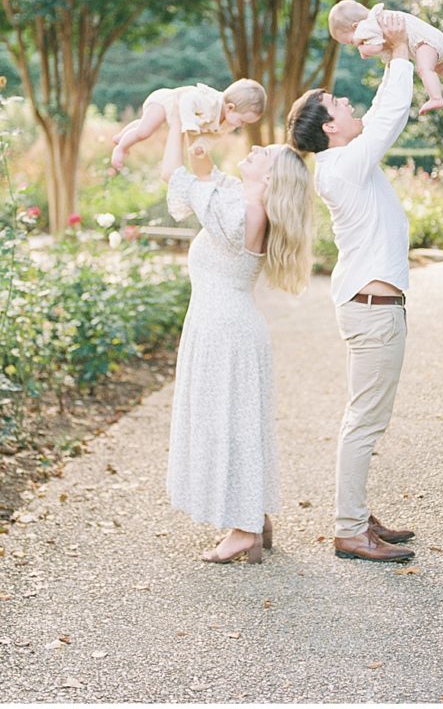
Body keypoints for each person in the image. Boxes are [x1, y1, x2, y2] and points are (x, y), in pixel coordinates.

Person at [287, 12, 417, 564]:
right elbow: (389, 116)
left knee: (365, 417)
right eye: (340, 104)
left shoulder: (345, 163)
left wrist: (392, 59)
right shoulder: (342, 166)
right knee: (365, 421)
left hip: (373, 306)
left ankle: (357, 515)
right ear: (331, 128)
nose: (349, 106)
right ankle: (348, 529)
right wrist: (403, 53)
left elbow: (382, 111)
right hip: (372, 309)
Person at [160, 106, 313, 564]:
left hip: (224, 332)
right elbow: (200, 176)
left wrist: (171, 119)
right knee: (239, 424)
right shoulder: (240, 199)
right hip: (225, 326)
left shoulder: (243, 213)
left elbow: (174, 175)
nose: (259, 147)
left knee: (229, 426)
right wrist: (198, 140)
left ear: (270, 181)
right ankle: (253, 516)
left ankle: (244, 529)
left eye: (267, 154)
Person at [328, 0, 443, 114]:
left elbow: (376, 47)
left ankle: (436, 98)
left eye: (352, 41)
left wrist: (362, 49)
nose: (355, 44)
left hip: (425, 44)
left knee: (424, 70)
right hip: (437, 39)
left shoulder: (368, 25)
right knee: (442, 67)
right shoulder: (380, 17)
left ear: (356, 26)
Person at [111, 78, 266, 171]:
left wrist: (201, 146)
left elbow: (211, 138)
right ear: (231, 108)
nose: (243, 126)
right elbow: (187, 99)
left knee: (144, 124)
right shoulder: (208, 101)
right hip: (166, 102)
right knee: (144, 131)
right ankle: (121, 148)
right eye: (243, 121)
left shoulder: (227, 124)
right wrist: (190, 121)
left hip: (172, 117)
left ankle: (121, 136)